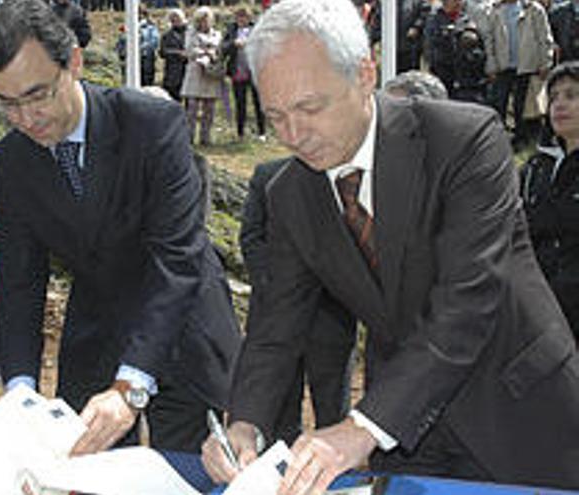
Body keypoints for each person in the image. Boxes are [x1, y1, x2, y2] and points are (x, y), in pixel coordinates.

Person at [201, 0, 579, 492]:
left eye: (309, 108)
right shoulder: (290, 192)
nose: (293, 135)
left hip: (519, 408)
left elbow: (467, 305)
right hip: (407, 433)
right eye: (275, 116)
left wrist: (361, 427)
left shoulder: (463, 140)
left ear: (364, 74)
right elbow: (276, 324)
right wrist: (243, 424)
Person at [0, 0, 241, 455]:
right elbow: (18, 282)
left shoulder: (151, 124)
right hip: (96, 336)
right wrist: (19, 389)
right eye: (8, 104)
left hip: (183, 328)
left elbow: (178, 257)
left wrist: (131, 386)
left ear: (73, 63)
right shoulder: (10, 160)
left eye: (38, 95)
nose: (26, 118)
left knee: (189, 473)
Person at [240, 157, 355, 445]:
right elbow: (251, 237)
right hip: (274, 316)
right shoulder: (267, 174)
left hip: (332, 315)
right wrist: (282, 291)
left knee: (332, 406)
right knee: (279, 405)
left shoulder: (344, 181)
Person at [521, 61, 579, 340]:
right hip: (539, 313)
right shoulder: (535, 168)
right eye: (553, 97)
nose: (560, 105)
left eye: (572, 95)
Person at [484, 0, 554, 145]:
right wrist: (491, 65)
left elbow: (544, 37)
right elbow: (489, 39)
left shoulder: (533, 9)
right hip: (503, 67)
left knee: (521, 106)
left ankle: (521, 138)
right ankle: (498, 139)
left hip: (526, 66)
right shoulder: (493, 10)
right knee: (499, 103)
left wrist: (546, 62)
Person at [222, 6, 265, 141]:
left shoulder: (257, 28)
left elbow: (264, 45)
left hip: (255, 71)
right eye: (239, 16)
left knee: (258, 102)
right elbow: (223, 47)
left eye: (244, 16)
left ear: (249, 17)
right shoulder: (231, 29)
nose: (241, 19)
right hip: (238, 71)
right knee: (240, 103)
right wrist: (234, 44)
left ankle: (262, 132)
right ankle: (240, 133)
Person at [181, 6, 222, 146]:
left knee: (209, 108)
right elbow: (189, 50)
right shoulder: (190, 33)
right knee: (191, 109)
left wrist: (212, 54)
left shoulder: (217, 34)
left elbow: (220, 50)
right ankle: (189, 138)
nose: (204, 23)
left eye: (207, 20)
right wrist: (205, 52)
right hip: (195, 73)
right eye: (201, 20)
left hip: (210, 73)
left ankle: (206, 138)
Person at [158, 8, 188, 102]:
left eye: (177, 17)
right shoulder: (167, 35)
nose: (175, 20)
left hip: (189, 71)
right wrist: (178, 53)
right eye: (172, 18)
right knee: (173, 102)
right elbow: (162, 52)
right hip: (172, 74)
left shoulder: (190, 33)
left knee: (190, 104)